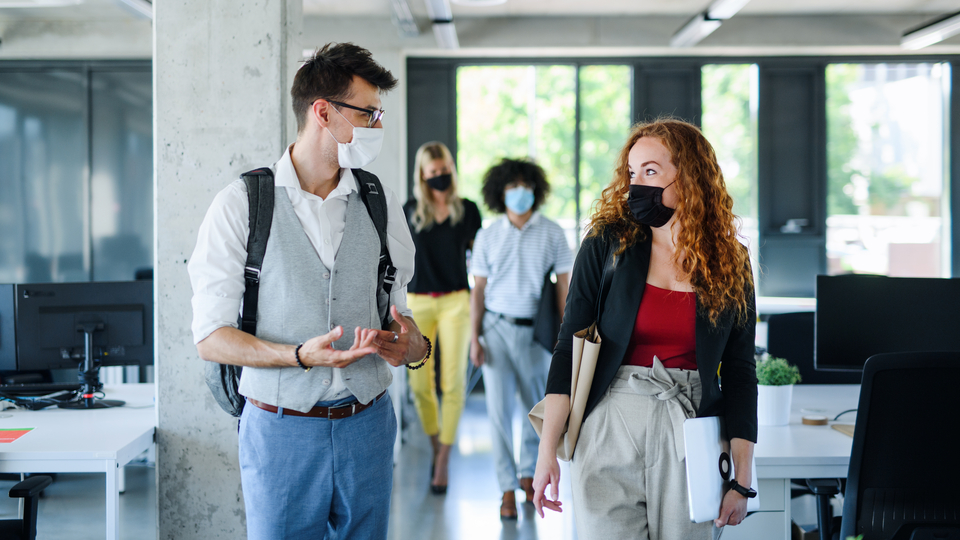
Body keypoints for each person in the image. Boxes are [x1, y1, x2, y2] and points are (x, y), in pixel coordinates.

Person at [188, 42, 429, 540]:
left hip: (369, 425)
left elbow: (401, 315)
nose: (376, 126)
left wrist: (413, 347)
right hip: (280, 430)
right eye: (368, 112)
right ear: (323, 112)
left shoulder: (379, 204)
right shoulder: (241, 206)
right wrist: (298, 356)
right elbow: (212, 337)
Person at [531, 119, 758, 540]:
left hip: (691, 431)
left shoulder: (731, 260)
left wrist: (742, 479)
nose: (637, 186)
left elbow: (741, 371)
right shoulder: (607, 243)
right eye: (632, 174)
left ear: (689, 177)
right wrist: (546, 454)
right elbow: (568, 350)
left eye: (651, 172)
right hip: (610, 423)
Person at [469, 158, 573, 520]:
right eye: (511, 187)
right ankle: (506, 489)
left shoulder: (552, 232)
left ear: (535, 190)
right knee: (498, 413)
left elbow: (565, 286)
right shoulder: (488, 234)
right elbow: (478, 291)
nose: (519, 193)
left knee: (536, 410)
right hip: (495, 330)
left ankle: (530, 475)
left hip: (536, 334)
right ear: (500, 193)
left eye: (524, 186)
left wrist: (566, 337)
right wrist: (474, 338)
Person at [403, 141, 482, 494]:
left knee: (452, 383)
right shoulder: (408, 211)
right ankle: (436, 445)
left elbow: (480, 260)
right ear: (422, 175)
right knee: (419, 385)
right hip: (417, 303)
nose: (440, 176)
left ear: (451, 167)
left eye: (444, 169)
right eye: (432, 172)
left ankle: (444, 459)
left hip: (455, 302)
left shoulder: (467, 210)